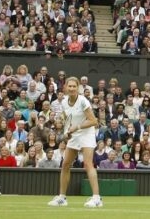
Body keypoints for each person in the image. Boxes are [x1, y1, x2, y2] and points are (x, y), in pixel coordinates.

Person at [48, 77, 102, 208]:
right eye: (69, 86)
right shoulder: (64, 102)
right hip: (74, 134)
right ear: (65, 87)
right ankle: (62, 198)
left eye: (74, 86)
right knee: (65, 164)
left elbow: (94, 121)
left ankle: (96, 198)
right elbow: (68, 119)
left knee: (88, 164)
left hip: (87, 133)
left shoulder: (83, 101)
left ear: (78, 88)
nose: (71, 88)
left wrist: (76, 127)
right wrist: (67, 131)